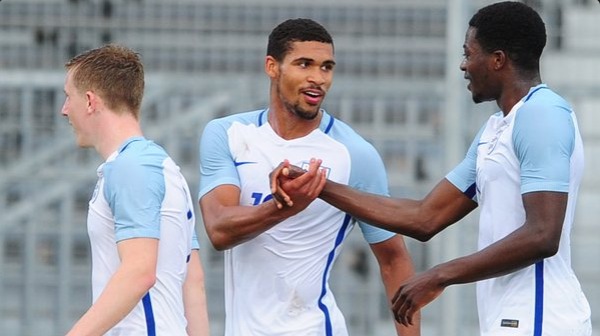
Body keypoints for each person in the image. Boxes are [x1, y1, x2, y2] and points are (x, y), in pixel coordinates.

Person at [272, 2, 593, 335]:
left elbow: (543, 235)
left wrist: (440, 275)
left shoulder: (543, 114)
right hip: (511, 319)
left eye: (469, 54)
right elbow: (424, 217)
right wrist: (318, 186)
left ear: (498, 60)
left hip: (543, 320)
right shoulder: (497, 128)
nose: (464, 65)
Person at [198, 18, 420, 335]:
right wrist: (284, 207)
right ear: (272, 67)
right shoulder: (228, 134)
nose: (318, 78)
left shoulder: (354, 154)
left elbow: (394, 260)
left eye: (327, 67)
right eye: (305, 64)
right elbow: (219, 230)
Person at [61, 44, 210, 335]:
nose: (64, 109)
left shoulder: (132, 167)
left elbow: (139, 273)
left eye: (69, 97)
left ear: (90, 101)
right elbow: (194, 281)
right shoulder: (163, 167)